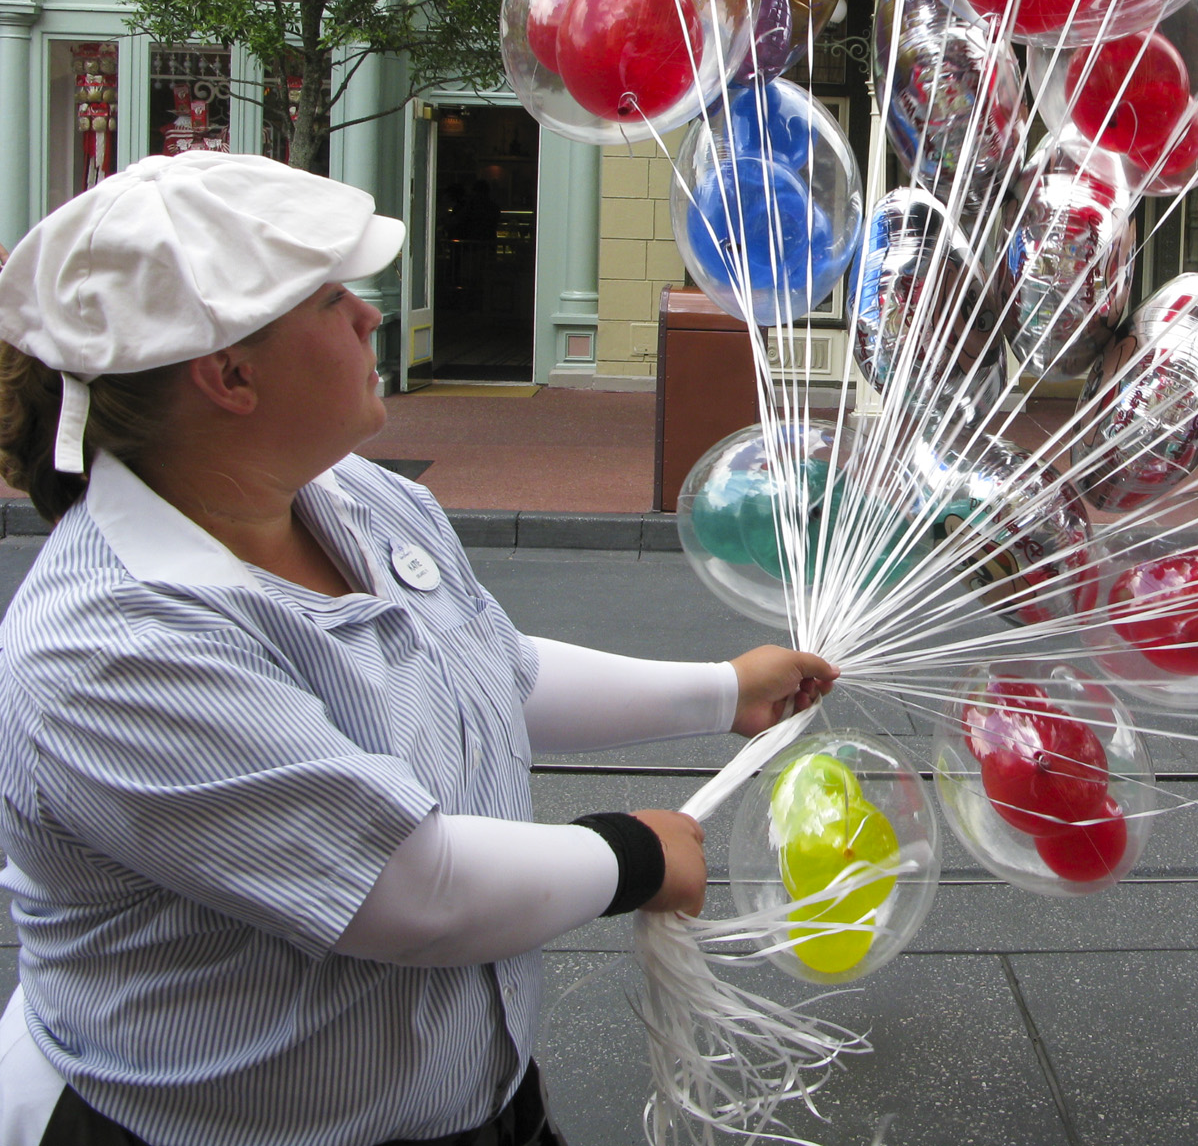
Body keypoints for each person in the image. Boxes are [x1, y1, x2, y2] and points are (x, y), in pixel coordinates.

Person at [0, 152, 837, 1146]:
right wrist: (630, 856)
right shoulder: (111, 649)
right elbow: (405, 889)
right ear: (229, 374)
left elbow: (485, 665)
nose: (367, 314)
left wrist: (718, 691)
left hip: (477, 1098)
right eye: (326, 299)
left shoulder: (355, 495)